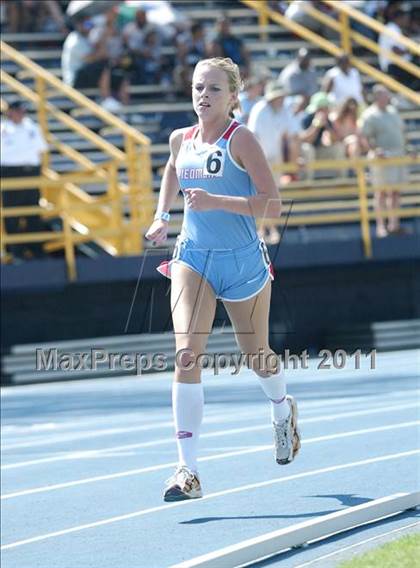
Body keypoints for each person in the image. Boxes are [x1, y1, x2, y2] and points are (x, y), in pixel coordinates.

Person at [145, 58, 301, 502]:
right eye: (197, 87)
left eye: (213, 89)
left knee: (257, 357)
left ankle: (281, 408)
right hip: (193, 257)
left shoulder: (242, 140)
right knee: (186, 355)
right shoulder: (182, 138)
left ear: (233, 96)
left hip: (243, 263)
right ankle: (187, 471)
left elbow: (272, 205)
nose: (203, 96)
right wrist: (162, 216)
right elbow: (173, 168)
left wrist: (217, 201)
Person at [248, 81, 301, 243]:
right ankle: (265, 229)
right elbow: (253, 137)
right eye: (279, 96)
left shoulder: (284, 110)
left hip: (275, 158)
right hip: (259, 159)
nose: (281, 99)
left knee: (272, 196)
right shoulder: (259, 110)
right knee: (263, 195)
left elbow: (294, 134)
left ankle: (266, 229)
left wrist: (295, 159)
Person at [1, 100, 48, 259]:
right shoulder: (3, 129)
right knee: (12, 214)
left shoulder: (32, 127)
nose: (21, 114)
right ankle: (15, 251)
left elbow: (40, 150)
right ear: (10, 112)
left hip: (30, 173)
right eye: (18, 111)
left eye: (23, 111)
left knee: (33, 213)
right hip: (9, 174)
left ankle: (36, 249)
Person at [360, 85, 407, 237]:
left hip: (397, 156)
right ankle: (381, 227)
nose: (388, 97)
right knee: (381, 193)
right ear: (377, 97)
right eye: (385, 95)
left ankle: (394, 224)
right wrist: (374, 151)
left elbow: (401, 133)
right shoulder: (370, 115)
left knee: (395, 192)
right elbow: (364, 137)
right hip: (381, 158)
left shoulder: (393, 112)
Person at [300, 91, 345, 179]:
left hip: (319, 151)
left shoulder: (327, 120)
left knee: (339, 147)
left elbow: (335, 140)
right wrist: (316, 126)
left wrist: (327, 126)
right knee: (308, 149)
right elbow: (306, 140)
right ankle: (308, 182)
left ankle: (342, 179)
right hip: (305, 154)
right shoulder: (306, 119)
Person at [378, 8, 419, 90]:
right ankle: (408, 93)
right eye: (405, 18)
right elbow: (396, 51)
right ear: (399, 18)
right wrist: (412, 51)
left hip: (400, 64)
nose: (407, 21)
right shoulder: (391, 29)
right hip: (393, 66)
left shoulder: (396, 29)